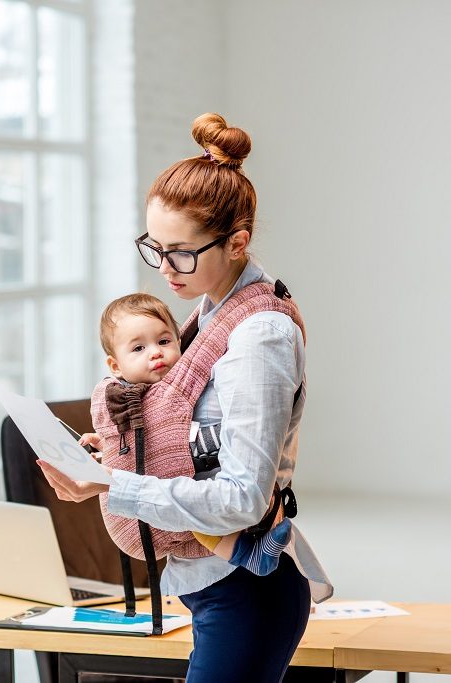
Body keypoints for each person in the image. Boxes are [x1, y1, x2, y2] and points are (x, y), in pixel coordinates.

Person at [37, 112, 332, 683]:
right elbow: (198, 437)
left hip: (248, 594)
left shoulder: (258, 336)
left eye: (181, 252)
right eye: (155, 246)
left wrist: (110, 485)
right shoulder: (207, 314)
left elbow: (243, 498)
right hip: (207, 586)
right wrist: (116, 456)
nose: (165, 269)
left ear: (238, 241)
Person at [82, 291, 293, 577]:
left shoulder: (183, 392)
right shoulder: (120, 395)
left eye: (164, 341)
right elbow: (125, 438)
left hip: (184, 512)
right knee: (200, 516)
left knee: (204, 520)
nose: (155, 352)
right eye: (138, 349)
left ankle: (250, 554)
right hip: (137, 517)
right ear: (116, 366)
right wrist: (103, 446)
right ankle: (248, 552)